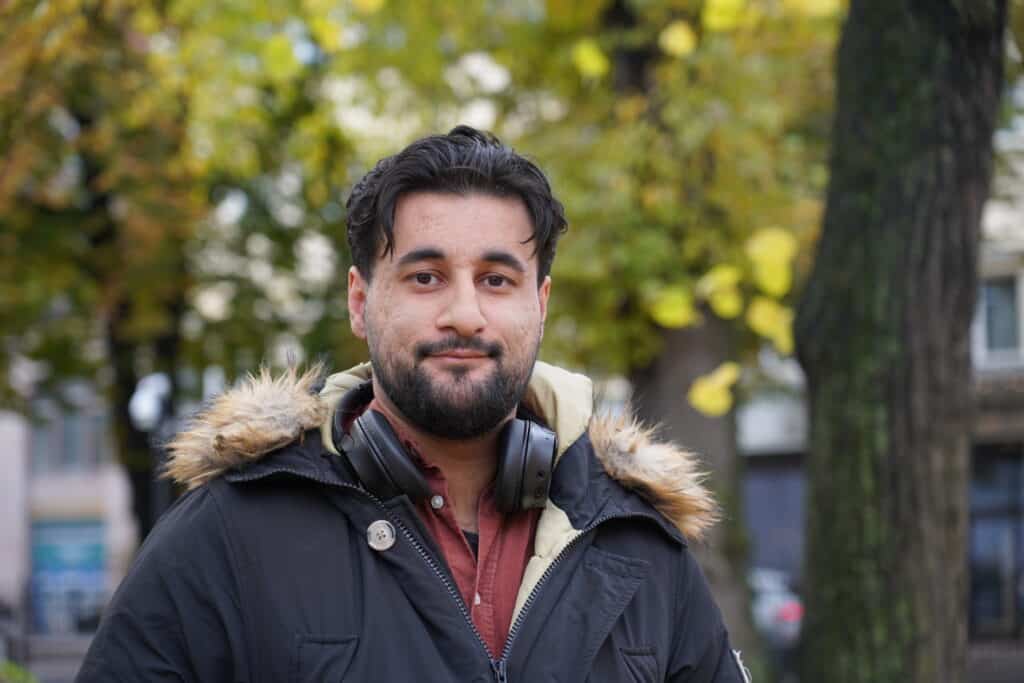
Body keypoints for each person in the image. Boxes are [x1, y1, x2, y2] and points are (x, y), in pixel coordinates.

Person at [76, 126, 751, 682]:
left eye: (496, 279)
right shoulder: (227, 533)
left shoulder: (638, 542)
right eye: (426, 277)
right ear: (360, 300)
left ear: (540, 304)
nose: (465, 313)